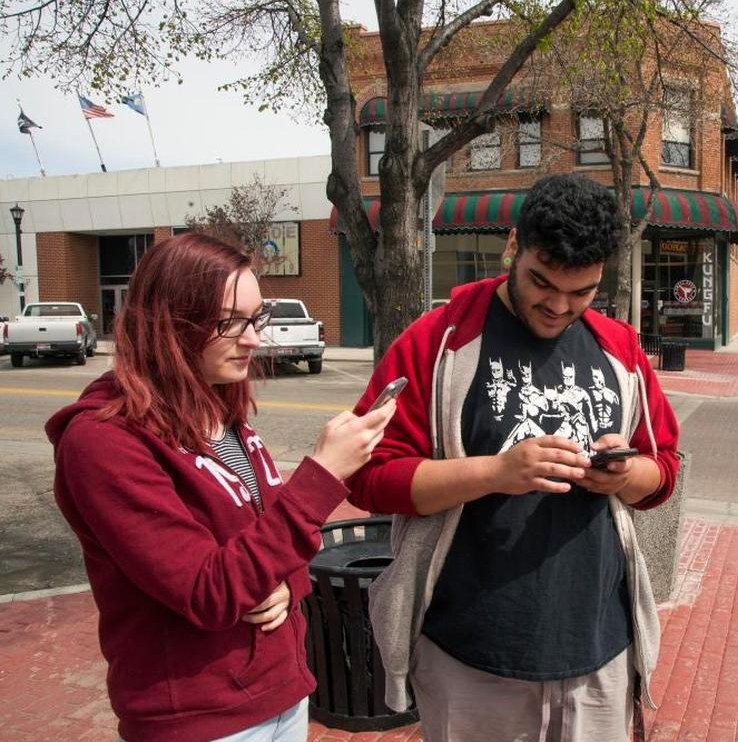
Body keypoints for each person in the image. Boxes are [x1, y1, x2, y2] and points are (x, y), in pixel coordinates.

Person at [347, 173, 681, 741]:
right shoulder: (439, 340)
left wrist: (625, 475)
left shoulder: (619, 349)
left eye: (582, 292)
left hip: (599, 643)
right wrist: (497, 472)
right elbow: (366, 476)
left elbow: (663, 470)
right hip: (471, 649)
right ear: (512, 245)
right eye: (541, 283)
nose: (558, 306)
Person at [45, 233, 396, 742]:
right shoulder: (103, 442)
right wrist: (320, 476)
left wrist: (285, 584)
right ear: (169, 321)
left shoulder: (220, 412)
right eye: (228, 321)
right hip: (198, 715)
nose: (252, 339)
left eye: (256, 319)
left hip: (282, 691)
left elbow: (281, 545)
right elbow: (208, 590)